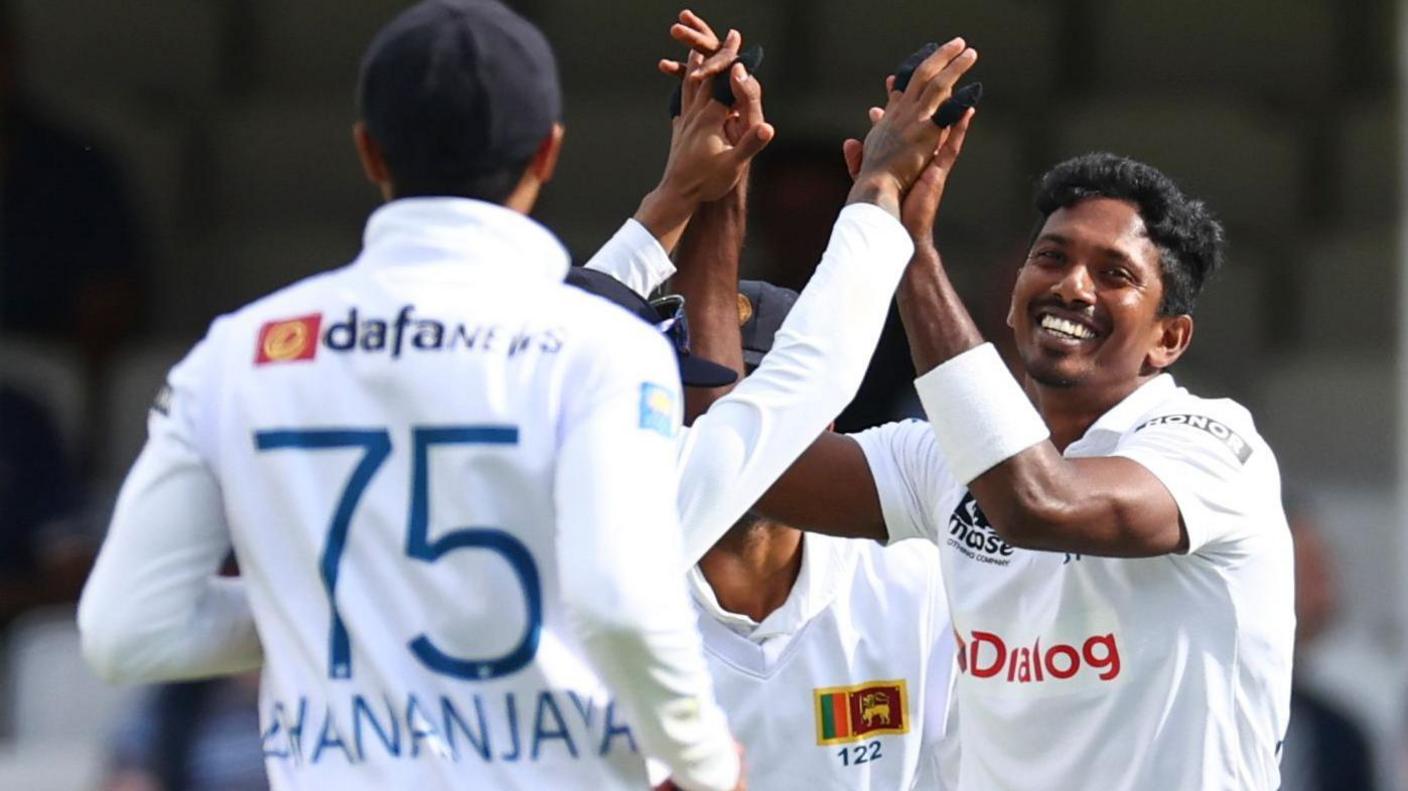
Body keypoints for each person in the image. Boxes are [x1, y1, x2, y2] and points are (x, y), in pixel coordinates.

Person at [77, 2, 782, 789]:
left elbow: (125, 630)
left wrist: (348, 602)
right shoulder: (608, 350)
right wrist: (705, 760)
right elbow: (616, 604)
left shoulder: (236, 353)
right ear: (548, 154)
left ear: (369, 151)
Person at [685, 142, 1296, 785]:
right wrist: (718, 195)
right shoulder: (943, 458)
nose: (1072, 285)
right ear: (1011, 301)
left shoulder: (1213, 446)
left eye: (1115, 274)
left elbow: (1038, 503)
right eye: (1051, 258)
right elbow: (741, 466)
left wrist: (910, 249)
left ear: (1168, 338)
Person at [1279, 508, 1378, 791]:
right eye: (1308, 570)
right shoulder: (1190, 705)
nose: (1326, 587)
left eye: (1326, 568)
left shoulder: (1340, 736)